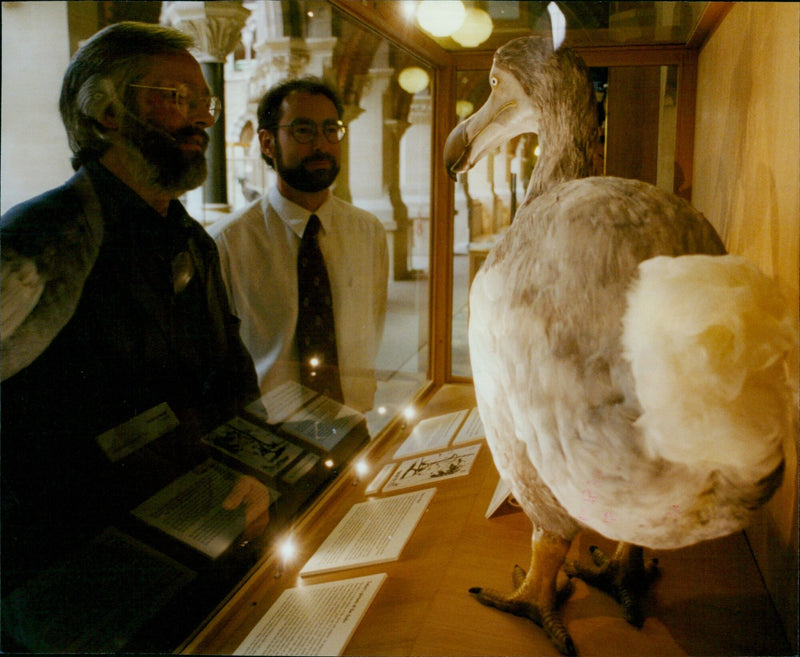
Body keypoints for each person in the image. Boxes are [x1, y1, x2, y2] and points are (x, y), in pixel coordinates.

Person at [0, 22, 268, 601]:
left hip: (200, 528)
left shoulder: (192, 240)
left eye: (205, 102)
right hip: (80, 567)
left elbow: (230, 370)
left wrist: (258, 473)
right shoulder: (38, 235)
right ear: (105, 112)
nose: (202, 119)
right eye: (177, 98)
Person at [209, 77, 388, 414]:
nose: (321, 145)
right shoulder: (227, 243)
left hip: (352, 421)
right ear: (267, 143)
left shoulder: (369, 233)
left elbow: (372, 329)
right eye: (303, 131)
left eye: (330, 129)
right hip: (269, 435)